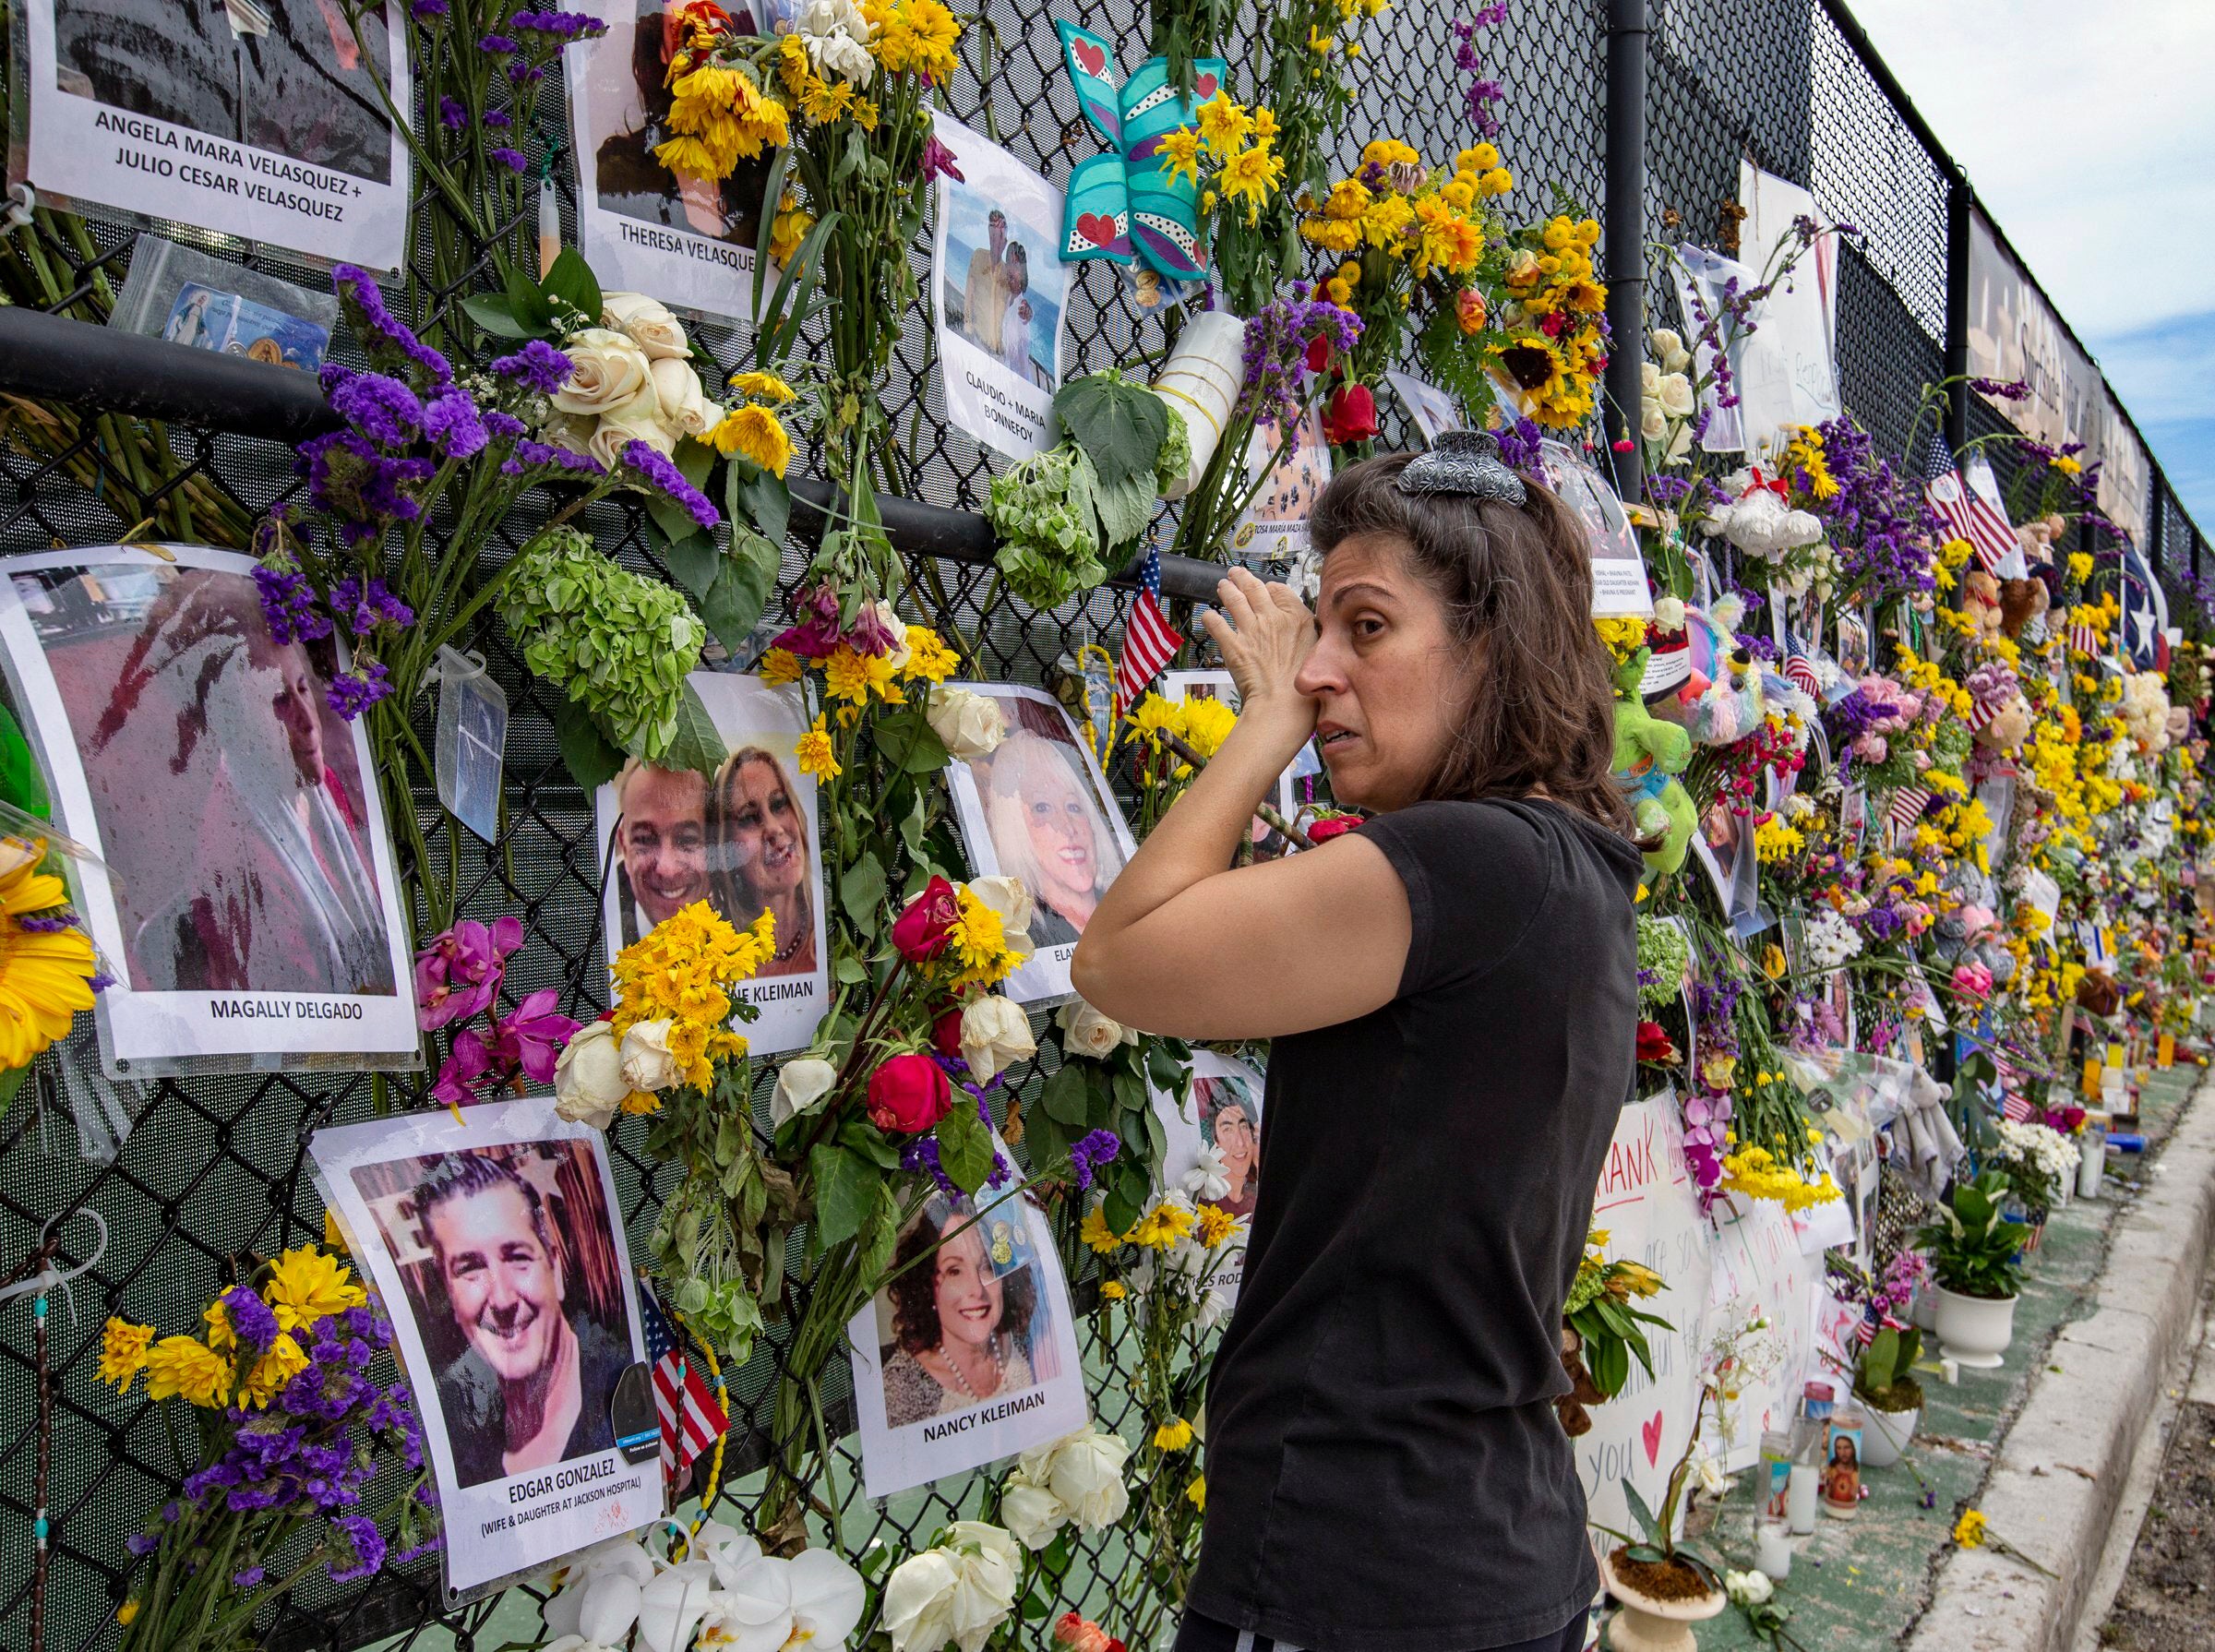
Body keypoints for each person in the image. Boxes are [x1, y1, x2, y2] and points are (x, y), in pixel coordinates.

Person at [1072, 434, 1641, 1652]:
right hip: (1482, 1548)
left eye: (1367, 628)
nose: (1321, 669)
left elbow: (1118, 958)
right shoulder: (1572, 865)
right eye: (1319, 630)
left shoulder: (1469, 862)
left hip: (1358, 1566)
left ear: (1491, 644)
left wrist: (1263, 726)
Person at [90, 569, 394, 996]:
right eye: (277, 701)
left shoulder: (325, 788)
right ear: (227, 719)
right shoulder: (236, 865)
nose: (308, 723)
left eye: (303, 689)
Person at [413, 1153, 629, 1489]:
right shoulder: (459, 1446)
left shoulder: (623, 1388)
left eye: (518, 1258)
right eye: (470, 1268)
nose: (502, 1300)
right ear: (451, 1297)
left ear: (555, 1269)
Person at [881, 1208, 1036, 1427]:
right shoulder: (902, 1388)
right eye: (954, 1271)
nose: (976, 1289)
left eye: (987, 1267)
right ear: (928, 1285)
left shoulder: (1027, 1342)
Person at [978, 729, 1122, 947]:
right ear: (1015, 829)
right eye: (1042, 807)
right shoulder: (1019, 940)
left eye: (1074, 806)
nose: (1068, 827)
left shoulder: (1128, 910)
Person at [710, 745, 817, 976]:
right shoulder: (717, 961)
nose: (774, 829)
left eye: (779, 804)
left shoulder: (832, 935)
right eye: (749, 818)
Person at [614, 760, 710, 945]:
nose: (667, 869)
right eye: (645, 839)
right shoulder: (595, 927)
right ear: (624, 846)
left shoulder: (746, 919)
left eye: (687, 839)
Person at [1201, 1087, 1259, 1219]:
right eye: (1228, 1129)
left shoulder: (1256, 1194)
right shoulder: (1205, 1206)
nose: (1240, 1143)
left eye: (1244, 1127)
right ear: (1216, 1139)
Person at [963, 208, 1010, 355]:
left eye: (1000, 232)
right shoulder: (978, 257)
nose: (996, 237)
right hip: (976, 339)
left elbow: (1011, 313)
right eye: (993, 231)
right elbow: (969, 294)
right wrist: (967, 326)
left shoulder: (1008, 274)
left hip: (997, 350)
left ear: (1005, 239)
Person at [997, 244, 1036, 380]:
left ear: (1023, 273)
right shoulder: (1006, 299)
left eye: (1016, 264)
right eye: (1009, 262)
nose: (1011, 268)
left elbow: (1022, 361)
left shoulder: (1022, 308)